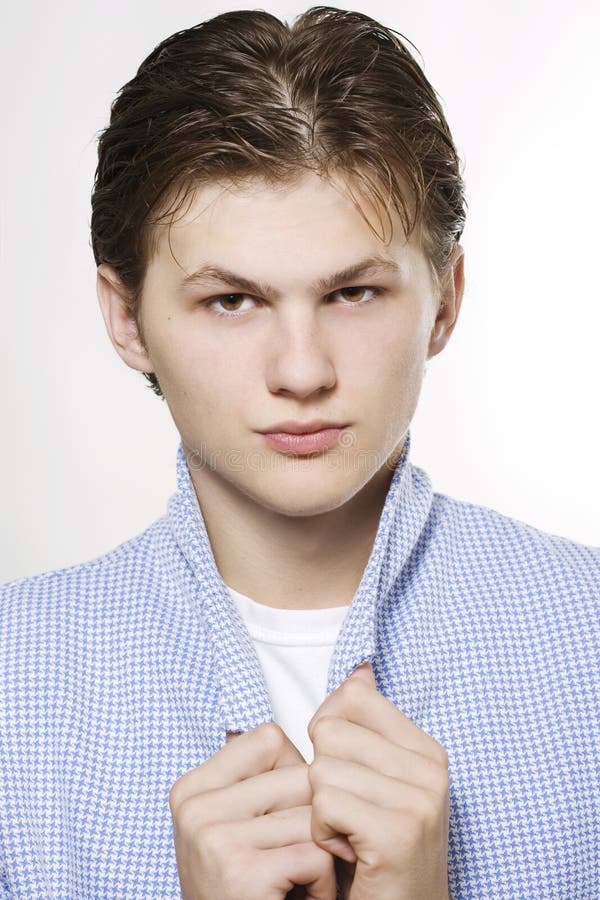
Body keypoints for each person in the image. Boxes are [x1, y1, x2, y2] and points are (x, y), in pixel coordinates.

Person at [1, 6, 598, 899]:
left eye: (354, 292)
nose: (303, 370)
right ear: (127, 319)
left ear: (445, 300)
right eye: (232, 301)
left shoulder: (586, 638)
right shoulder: (17, 681)